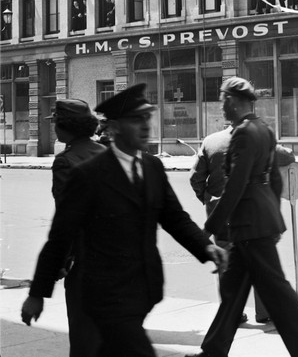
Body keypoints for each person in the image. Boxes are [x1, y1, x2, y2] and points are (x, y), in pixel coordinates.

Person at [22, 84, 227, 356]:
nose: (145, 126)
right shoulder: (88, 174)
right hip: (102, 292)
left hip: (142, 290)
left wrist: (206, 247)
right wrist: (38, 292)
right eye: (136, 120)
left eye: (147, 118)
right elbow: (61, 235)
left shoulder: (151, 166)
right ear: (116, 127)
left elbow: (174, 217)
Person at [186, 77, 298, 357]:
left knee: (280, 298)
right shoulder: (263, 129)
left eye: (223, 100)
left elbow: (235, 186)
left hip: (250, 226)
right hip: (255, 224)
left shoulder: (243, 134)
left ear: (232, 101)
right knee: (232, 294)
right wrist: (274, 217)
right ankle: (212, 352)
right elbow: (273, 179)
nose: (221, 106)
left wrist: (209, 227)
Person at [48, 99, 106, 357]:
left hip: (85, 263)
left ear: (64, 127)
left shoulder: (66, 161)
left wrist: (61, 261)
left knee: (84, 339)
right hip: (117, 261)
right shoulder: (108, 153)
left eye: (55, 124)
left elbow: (68, 218)